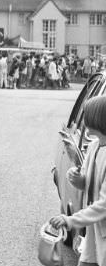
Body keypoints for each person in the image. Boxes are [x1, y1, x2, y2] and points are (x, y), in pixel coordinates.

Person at [50, 95, 106, 266]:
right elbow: (89, 184)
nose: (83, 121)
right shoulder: (94, 146)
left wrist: (70, 220)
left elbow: (104, 204)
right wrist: (78, 178)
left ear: (98, 119)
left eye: (87, 116)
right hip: (94, 227)